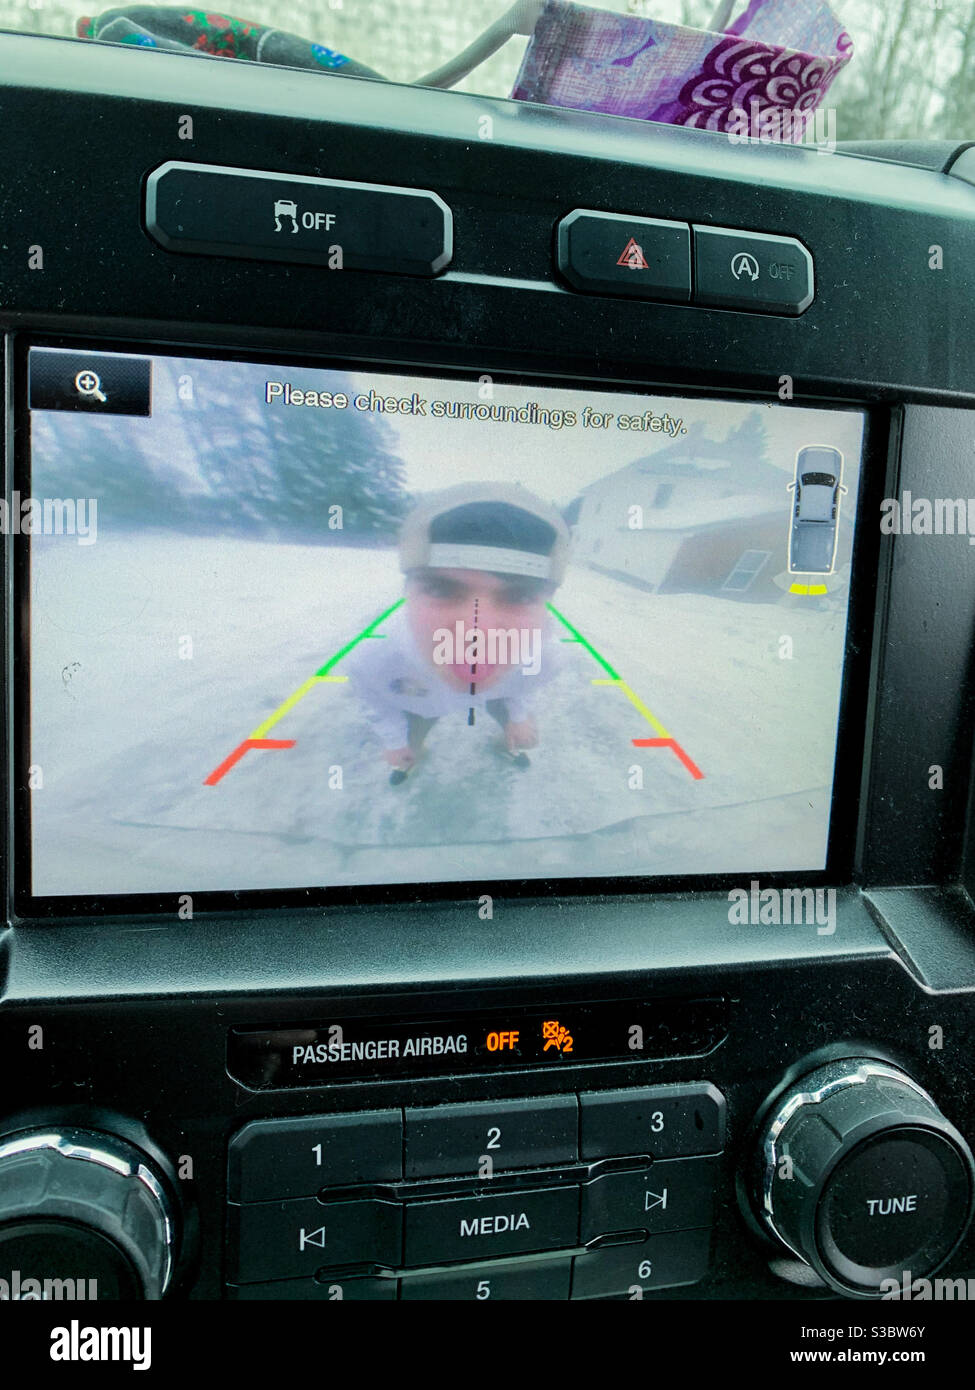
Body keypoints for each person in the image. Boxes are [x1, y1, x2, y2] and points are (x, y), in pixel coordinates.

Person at [351, 482, 570, 784]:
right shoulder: (374, 660)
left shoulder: (547, 658)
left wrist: (517, 718)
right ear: (405, 593)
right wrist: (394, 742)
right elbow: (377, 703)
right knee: (409, 740)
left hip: (498, 693)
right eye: (441, 589)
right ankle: (412, 753)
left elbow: (522, 688)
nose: (476, 633)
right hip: (423, 703)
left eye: (520, 596)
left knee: (514, 720)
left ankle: (508, 738)